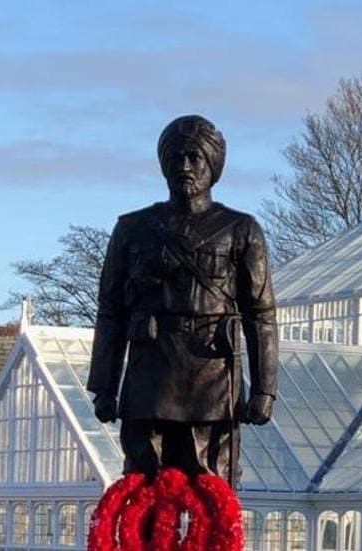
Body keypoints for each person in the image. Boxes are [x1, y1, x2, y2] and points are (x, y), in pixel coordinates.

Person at [87, 114, 278, 486]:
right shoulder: (133, 229)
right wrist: (104, 386)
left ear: (213, 165)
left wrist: (265, 388)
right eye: (176, 158)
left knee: (212, 484)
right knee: (142, 482)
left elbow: (261, 314)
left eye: (195, 157)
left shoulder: (242, 230)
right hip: (149, 374)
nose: (185, 167)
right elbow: (110, 311)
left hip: (212, 377)